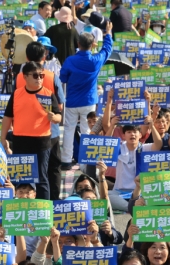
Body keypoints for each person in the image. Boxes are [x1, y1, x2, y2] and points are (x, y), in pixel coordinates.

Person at [1, 62, 62, 200]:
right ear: (25, 76)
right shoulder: (17, 94)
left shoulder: (48, 94)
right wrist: (2, 137)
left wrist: (54, 117)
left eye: (41, 75)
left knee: (41, 178)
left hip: (41, 142)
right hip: (20, 141)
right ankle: (18, 207)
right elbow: (7, 117)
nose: (39, 78)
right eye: (35, 75)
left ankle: (44, 212)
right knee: (19, 178)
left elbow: (58, 116)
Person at [59, 22, 113, 171]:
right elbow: (107, 49)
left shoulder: (70, 60)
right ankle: (85, 163)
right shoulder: (96, 60)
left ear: (78, 44)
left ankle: (65, 160)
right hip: (88, 101)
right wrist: (108, 33)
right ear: (93, 44)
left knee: (69, 129)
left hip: (72, 101)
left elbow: (62, 78)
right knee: (87, 131)